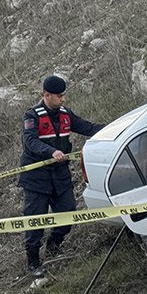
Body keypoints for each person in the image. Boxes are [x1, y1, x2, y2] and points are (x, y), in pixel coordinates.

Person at [20, 75, 104, 277]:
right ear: (46, 95)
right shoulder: (32, 116)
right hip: (36, 179)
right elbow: (30, 142)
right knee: (35, 221)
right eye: (59, 96)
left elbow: (87, 127)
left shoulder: (65, 114)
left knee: (68, 213)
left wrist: (114, 129)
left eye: (63, 96)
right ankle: (33, 261)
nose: (62, 100)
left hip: (60, 176)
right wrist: (51, 152)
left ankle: (54, 246)